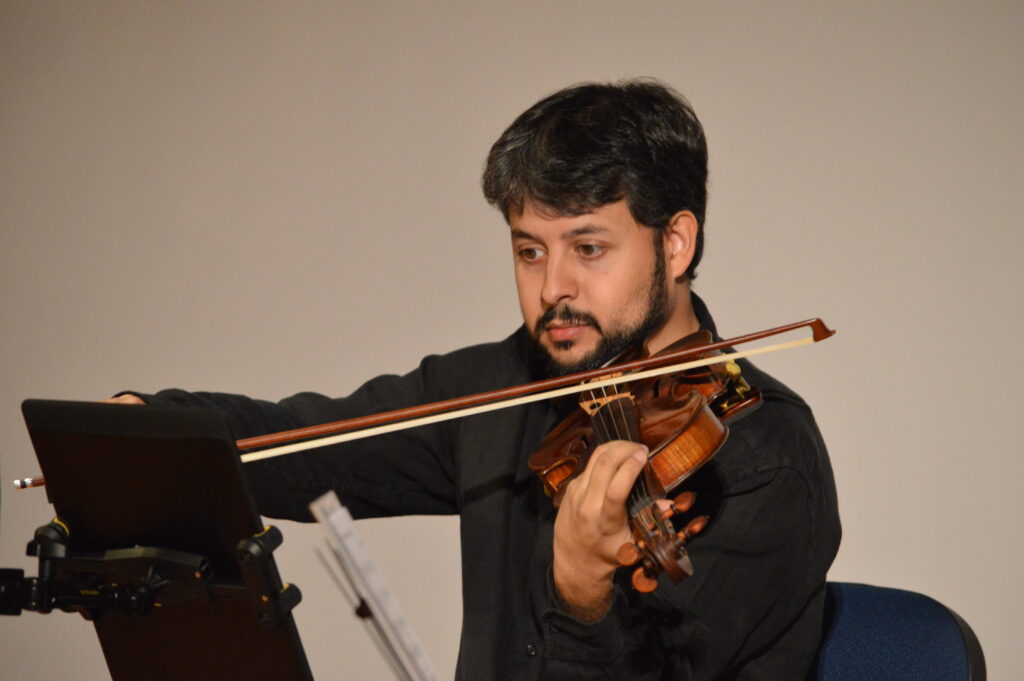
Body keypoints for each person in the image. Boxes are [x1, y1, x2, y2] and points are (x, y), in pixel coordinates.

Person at [113, 79, 840, 680]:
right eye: (529, 251)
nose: (553, 286)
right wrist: (150, 423)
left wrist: (585, 593)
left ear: (674, 243)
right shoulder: (509, 383)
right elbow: (313, 441)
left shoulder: (764, 456)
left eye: (588, 247)